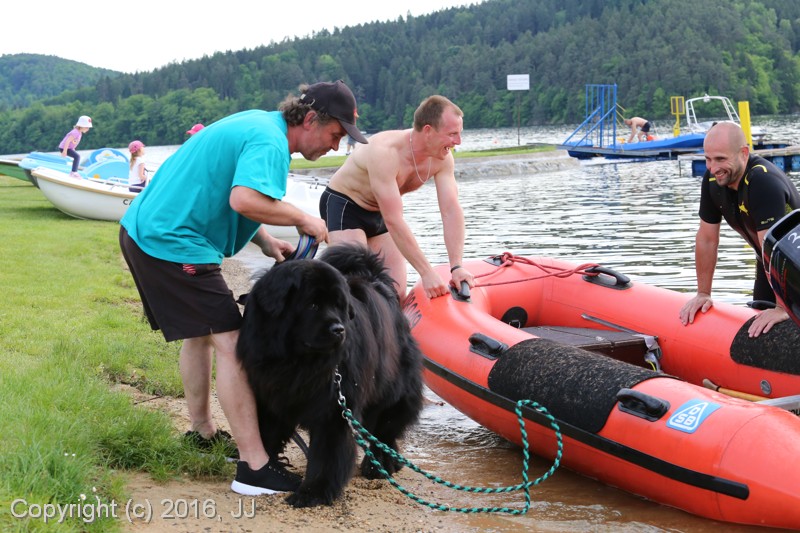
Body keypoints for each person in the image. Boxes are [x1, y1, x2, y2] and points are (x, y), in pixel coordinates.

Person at [118, 80, 367, 496]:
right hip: (172, 240)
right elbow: (244, 199)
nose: (335, 146)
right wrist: (302, 218)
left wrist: (265, 241)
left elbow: (227, 192)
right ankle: (254, 467)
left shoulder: (261, 125)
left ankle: (201, 432)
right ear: (310, 119)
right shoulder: (270, 143)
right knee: (233, 342)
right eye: (335, 134)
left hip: (148, 230)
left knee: (200, 334)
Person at [320, 95, 474, 301]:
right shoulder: (385, 152)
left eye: (459, 133)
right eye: (452, 134)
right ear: (428, 131)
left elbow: (451, 210)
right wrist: (426, 272)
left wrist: (456, 266)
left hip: (378, 211)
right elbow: (394, 219)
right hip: (345, 205)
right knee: (356, 286)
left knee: (397, 292)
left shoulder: (443, 159)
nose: (458, 142)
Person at [679, 122, 800, 337]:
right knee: (758, 322)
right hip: (767, 262)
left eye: (720, 159)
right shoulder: (712, 180)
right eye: (708, 159)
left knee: (779, 323)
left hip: (789, 263)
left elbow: (773, 246)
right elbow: (707, 239)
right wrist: (703, 293)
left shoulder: (762, 181)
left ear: (743, 153)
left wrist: (782, 308)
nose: (713, 168)